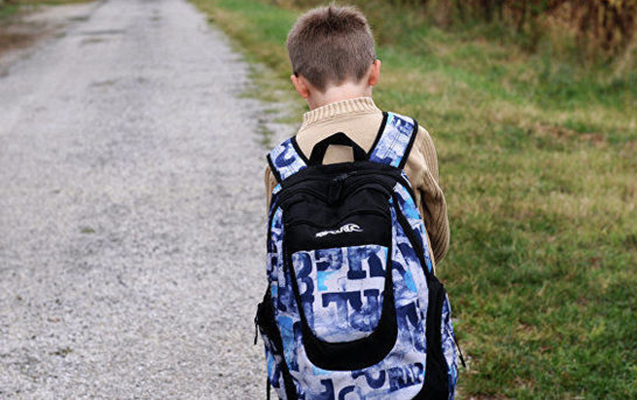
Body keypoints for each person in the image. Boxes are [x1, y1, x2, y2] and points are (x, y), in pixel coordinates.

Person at [264, 4, 449, 266]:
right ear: (374, 72)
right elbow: (436, 232)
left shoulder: (282, 164)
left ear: (300, 85)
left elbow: (278, 249)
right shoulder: (408, 139)